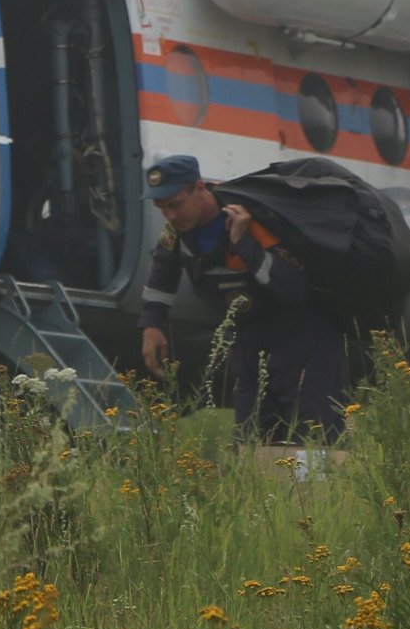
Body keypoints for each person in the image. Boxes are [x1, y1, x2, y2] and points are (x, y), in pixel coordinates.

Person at [137, 155, 357, 461]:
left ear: (199, 188)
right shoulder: (177, 231)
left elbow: (293, 288)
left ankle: (319, 503)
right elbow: (162, 275)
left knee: (316, 438)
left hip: (304, 342)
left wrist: (244, 244)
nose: (170, 215)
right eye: (162, 209)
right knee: (252, 441)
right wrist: (152, 324)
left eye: (175, 205)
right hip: (249, 343)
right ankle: (268, 503)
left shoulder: (252, 216)